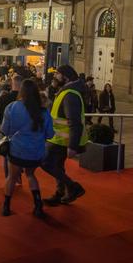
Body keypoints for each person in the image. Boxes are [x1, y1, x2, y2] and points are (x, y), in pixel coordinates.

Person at [0, 79, 54, 218]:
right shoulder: (43, 111)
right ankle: (37, 204)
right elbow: (50, 134)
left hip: (17, 149)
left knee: (12, 177)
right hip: (36, 152)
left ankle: (6, 205)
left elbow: (5, 130)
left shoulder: (12, 107)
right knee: (31, 175)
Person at [41, 65, 87, 207]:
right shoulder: (66, 91)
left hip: (63, 140)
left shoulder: (70, 95)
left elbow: (74, 122)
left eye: (58, 74)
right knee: (58, 166)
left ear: (66, 77)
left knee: (45, 163)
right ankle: (60, 193)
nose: (55, 76)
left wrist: (73, 146)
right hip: (58, 138)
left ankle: (72, 187)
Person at [0, 75, 22, 179]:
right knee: (18, 153)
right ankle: (17, 177)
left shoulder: (5, 97)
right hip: (21, 130)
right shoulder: (24, 99)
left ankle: (8, 178)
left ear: (12, 84)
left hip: (5, 129)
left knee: (7, 154)